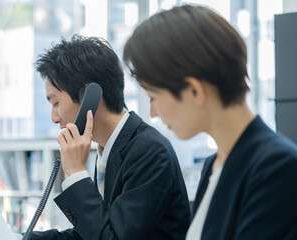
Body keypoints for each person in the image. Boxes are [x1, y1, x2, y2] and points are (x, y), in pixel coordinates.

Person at [123, 4, 297, 240]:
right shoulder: (214, 165)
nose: (152, 112)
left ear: (195, 91)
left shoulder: (277, 169)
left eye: (153, 96)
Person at [28, 34, 191, 240]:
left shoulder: (149, 151)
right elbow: (93, 232)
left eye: (56, 103)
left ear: (89, 96)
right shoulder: (109, 150)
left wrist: (77, 173)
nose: (54, 118)